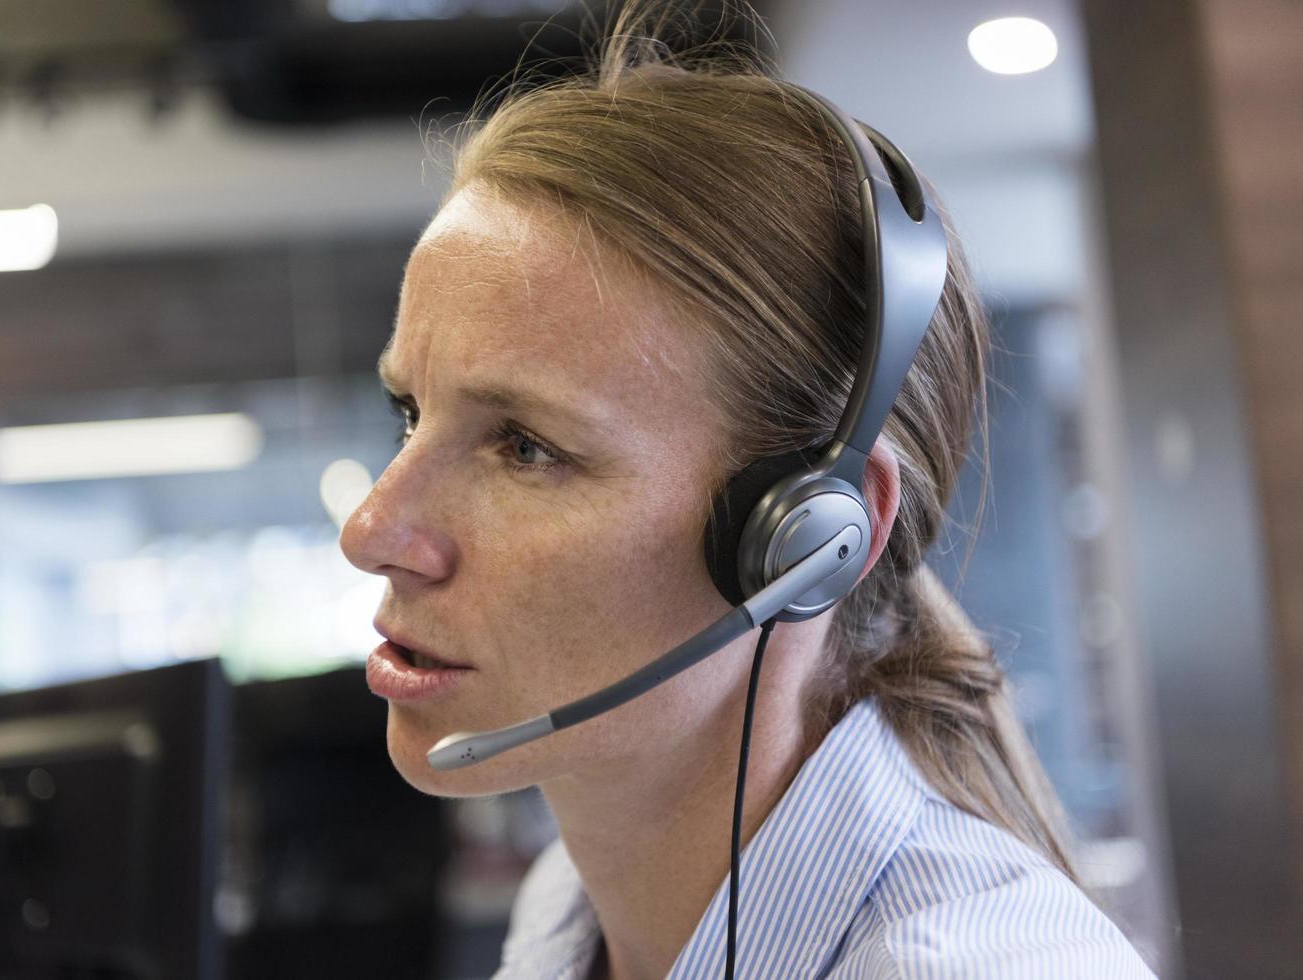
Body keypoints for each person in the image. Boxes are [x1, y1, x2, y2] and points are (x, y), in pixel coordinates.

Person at [340, 2, 1157, 976]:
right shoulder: (568, 904)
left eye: (523, 446)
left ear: (806, 539)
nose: (373, 528)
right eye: (409, 411)